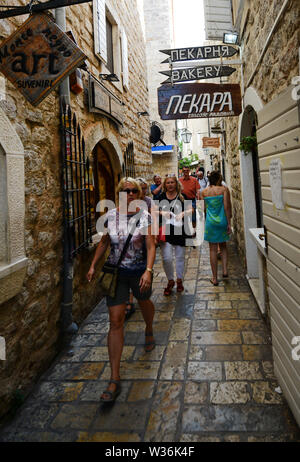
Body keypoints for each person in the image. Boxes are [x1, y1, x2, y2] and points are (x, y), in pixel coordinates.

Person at [87, 177, 156, 403]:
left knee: (145, 303)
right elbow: (105, 242)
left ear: (138, 194)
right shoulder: (110, 216)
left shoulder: (144, 216)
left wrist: (148, 270)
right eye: (125, 191)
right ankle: (114, 378)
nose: (129, 194)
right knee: (115, 320)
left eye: (133, 191)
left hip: (138, 273)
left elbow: (150, 245)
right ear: (119, 193)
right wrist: (93, 265)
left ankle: (148, 327)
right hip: (116, 274)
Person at [125, 178, 156, 319]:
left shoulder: (148, 201)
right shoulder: (127, 203)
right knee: (129, 270)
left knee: (139, 270)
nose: (143, 191)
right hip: (130, 241)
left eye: (144, 188)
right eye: (141, 188)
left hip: (143, 241)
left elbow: (152, 219)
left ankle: (142, 297)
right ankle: (130, 301)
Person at [158, 175, 192, 295]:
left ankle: (179, 280)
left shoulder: (183, 197)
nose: (170, 184)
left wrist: (183, 213)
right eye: (168, 183)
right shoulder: (160, 197)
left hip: (180, 230)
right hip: (166, 231)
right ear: (165, 185)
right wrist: (162, 212)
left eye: (172, 182)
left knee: (179, 257)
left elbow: (191, 209)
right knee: (166, 258)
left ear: (176, 184)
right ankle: (170, 280)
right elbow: (153, 210)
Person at [200, 170, 232, 286]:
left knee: (213, 250)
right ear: (219, 179)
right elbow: (227, 207)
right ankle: (224, 270)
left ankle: (214, 278)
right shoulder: (224, 190)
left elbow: (202, 210)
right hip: (222, 221)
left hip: (210, 223)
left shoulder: (203, 192)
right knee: (223, 246)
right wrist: (229, 223)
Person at [179, 166, 200, 233]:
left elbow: (198, 191)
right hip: (182, 201)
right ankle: (185, 231)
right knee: (183, 217)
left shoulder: (194, 180)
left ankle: (194, 230)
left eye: (187, 171)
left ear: (189, 171)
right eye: (184, 171)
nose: (186, 172)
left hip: (192, 200)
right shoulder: (179, 180)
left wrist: (199, 199)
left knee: (193, 217)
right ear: (182, 172)